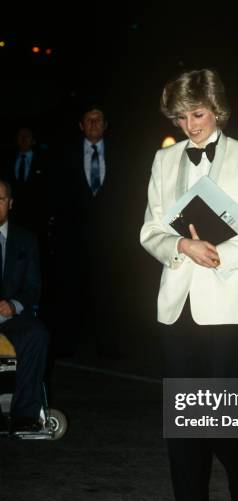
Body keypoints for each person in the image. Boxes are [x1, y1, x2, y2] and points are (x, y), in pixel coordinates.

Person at [140, 68, 238, 501]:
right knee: (182, 420)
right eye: (180, 117)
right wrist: (180, 244)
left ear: (217, 110)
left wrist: (219, 254)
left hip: (225, 304)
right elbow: (149, 230)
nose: (189, 125)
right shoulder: (164, 160)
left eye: (197, 114)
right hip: (176, 303)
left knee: (220, 415)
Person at [53, 105, 126, 358]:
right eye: (88, 120)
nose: (94, 124)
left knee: (109, 293)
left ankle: (109, 348)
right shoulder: (64, 156)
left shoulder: (122, 154)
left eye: (98, 120)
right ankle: (70, 345)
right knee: (72, 292)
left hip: (111, 243)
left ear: (106, 125)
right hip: (74, 241)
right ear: (81, 125)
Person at [0, 179, 49, 434]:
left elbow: (33, 287)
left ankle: (25, 413)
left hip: (11, 318)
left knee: (37, 335)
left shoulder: (26, 240)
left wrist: (13, 305)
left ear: (10, 203)